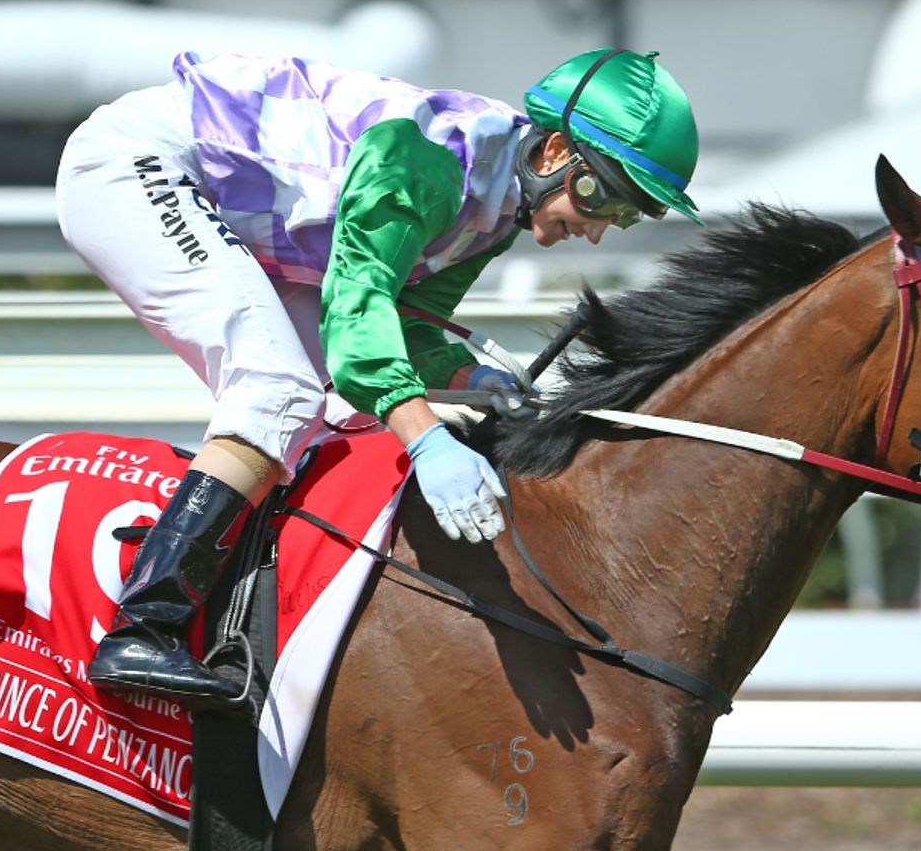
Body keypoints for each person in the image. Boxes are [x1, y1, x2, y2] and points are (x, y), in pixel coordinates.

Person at [54, 47, 701, 706]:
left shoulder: (498, 208)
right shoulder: (425, 160)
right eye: (603, 197)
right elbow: (359, 316)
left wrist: (472, 378)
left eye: (625, 217)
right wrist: (424, 437)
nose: (596, 230)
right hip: (144, 165)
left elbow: (408, 326)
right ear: (557, 149)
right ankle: (142, 625)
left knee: (343, 408)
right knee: (280, 390)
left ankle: (243, 600)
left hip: (232, 211)